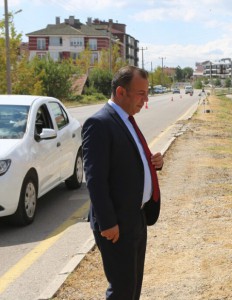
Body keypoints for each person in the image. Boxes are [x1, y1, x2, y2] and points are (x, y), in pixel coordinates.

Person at [82, 65, 163, 299]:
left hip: (136, 217)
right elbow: (95, 179)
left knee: (132, 287)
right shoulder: (99, 124)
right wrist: (108, 223)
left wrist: (153, 162)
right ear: (120, 92)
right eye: (141, 94)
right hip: (116, 225)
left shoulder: (126, 119)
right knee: (122, 290)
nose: (146, 99)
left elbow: (129, 161)